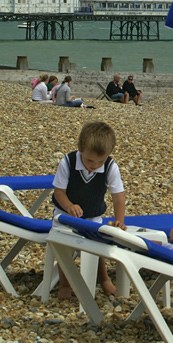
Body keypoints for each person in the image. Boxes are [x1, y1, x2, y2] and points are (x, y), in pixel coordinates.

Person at [52, 121, 126, 298]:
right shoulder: (68, 162)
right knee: (64, 246)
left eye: (100, 161)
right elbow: (59, 192)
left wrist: (119, 220)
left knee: (98, 246)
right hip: (64, 216)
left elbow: (118, 197)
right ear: (80, 149)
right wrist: (69, 206)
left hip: (93, 216)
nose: (94, 165)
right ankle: (64, 285)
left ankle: (104, 278)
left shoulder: (109, 166)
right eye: (89, 160)